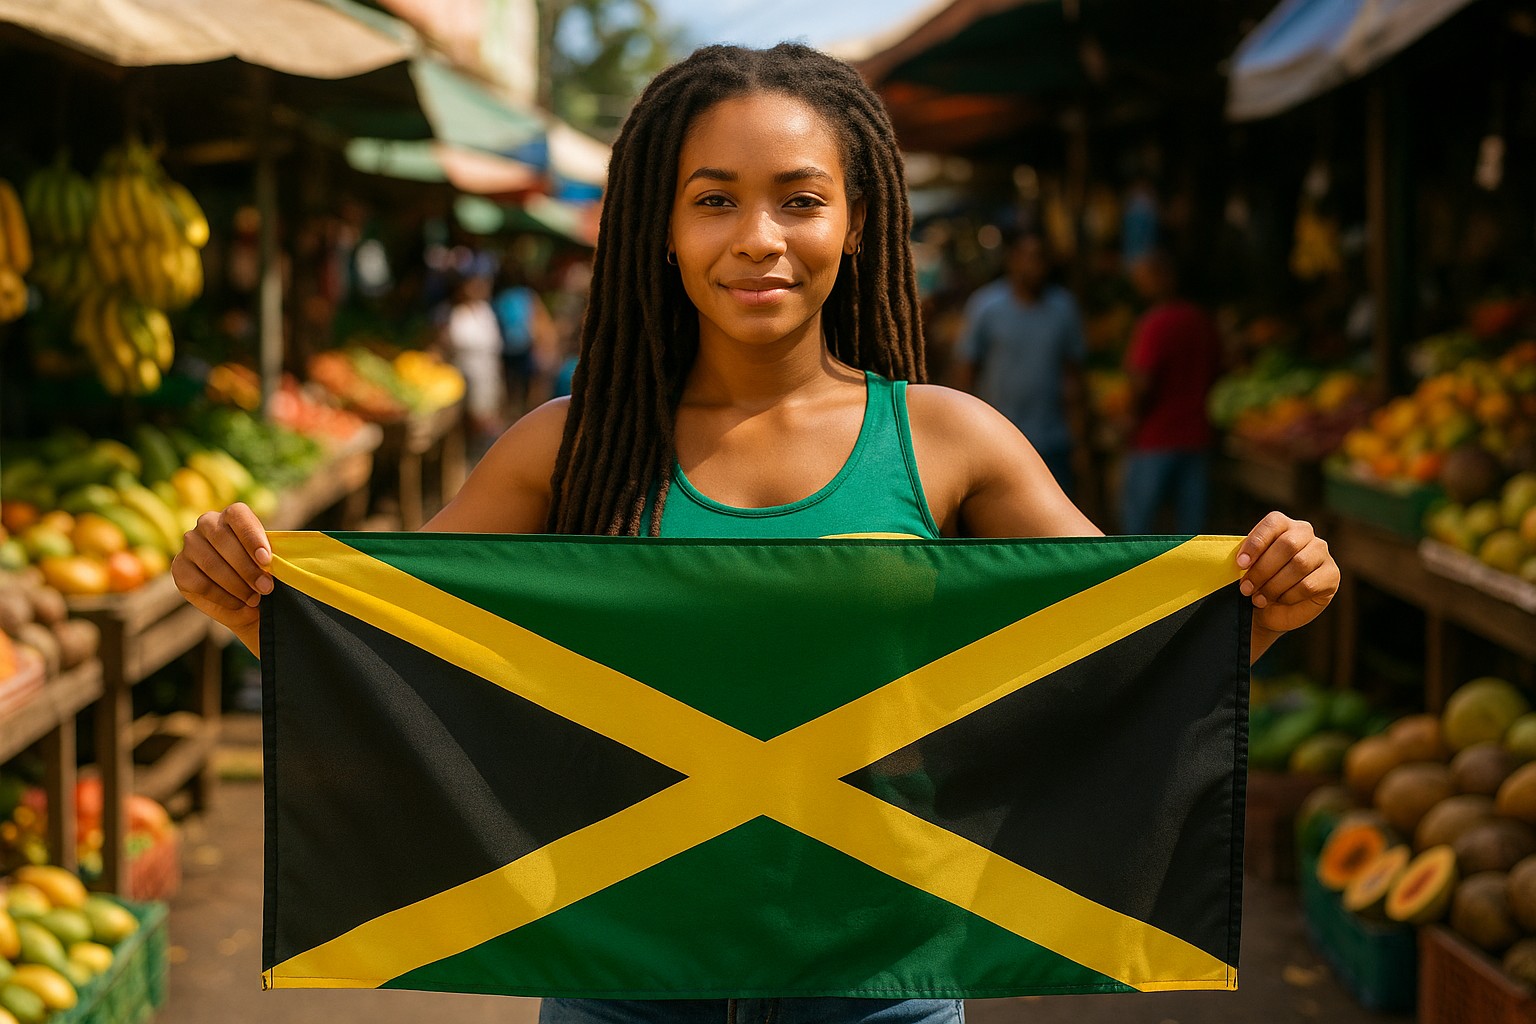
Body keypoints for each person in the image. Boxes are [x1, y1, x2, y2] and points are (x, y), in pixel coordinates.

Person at [172, 43, 1340, 1024]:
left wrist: (1264, 608)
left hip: (882, 982)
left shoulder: (953, 443)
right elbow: (398, 673)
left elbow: (1130, 659)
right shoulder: (559, 450)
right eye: (715, 197)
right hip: (618, 980)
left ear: (859, 220)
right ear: (661, 229)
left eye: (800, 196)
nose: (760, 237)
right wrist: (253, 610)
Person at [952, 231, 1087, 497]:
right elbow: (966, 372)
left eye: (1039, 258)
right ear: (1012, 260)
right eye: (1026, 257)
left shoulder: (1063, 308)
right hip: (998, 441)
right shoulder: (986, 306)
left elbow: (1073, 376)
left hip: (1052, 439)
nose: (1033, 266)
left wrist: (1079, 439)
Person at [1119, 249, 1223, 535]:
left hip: (1156, 440)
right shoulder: (1202, 320)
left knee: (1137, 532)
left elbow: (1141, 383)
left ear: (1163, 278)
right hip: (1197, 439)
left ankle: (1134, 580)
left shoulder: (1154, 324)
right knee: (1194, 534)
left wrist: (1128, 422)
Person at [436, 272, 506, 446]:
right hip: (464, 372)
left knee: (487, 412)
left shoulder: (484, 310)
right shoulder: (450, 313)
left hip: (487, 369)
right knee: (470, 417)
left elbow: (494, 343)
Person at [492, 264, 555, 418]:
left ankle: (519, 417)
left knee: (517, 388)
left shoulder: (502, 298)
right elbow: (538, 320)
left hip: (513, 350)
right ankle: (523, 417)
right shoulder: (523, 295)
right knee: (523, 388)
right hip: (518, 350)